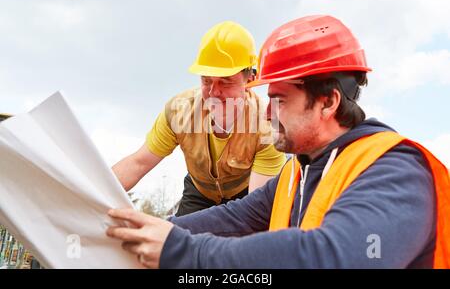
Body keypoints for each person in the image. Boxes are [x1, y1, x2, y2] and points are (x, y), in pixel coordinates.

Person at [106, 15, 450, 268]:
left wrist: (181, 252)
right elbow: (231, 219)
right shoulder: (296, 176)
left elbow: (330, 257)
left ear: (328, 102)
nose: (267, 113)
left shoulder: (396, 172)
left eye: (280, 100)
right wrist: (131, 231)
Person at [112, 21, 286, 216]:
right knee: (178, 241)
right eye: (206, 80)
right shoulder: (179, 112)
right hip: (199, 193)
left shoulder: (269, 127)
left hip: (246, 195)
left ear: (250, 79)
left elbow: (254, 211)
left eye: (226, 82)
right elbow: (139, 163)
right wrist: (91, 194)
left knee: (238, 243)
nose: (214, 92)